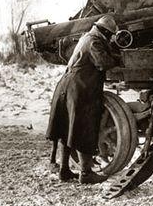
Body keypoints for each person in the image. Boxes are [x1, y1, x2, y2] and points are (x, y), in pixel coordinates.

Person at [46, 15, 120, 184]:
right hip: (79, 88)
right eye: (110, 35)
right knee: (83, 128)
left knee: (68, 129)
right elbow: (103, 63)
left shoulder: (87, 37)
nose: (110, 38)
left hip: (68, 85)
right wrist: (118, 57)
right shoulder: (94, 41)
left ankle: (64, 170)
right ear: (104, 31)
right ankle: (86, 173)